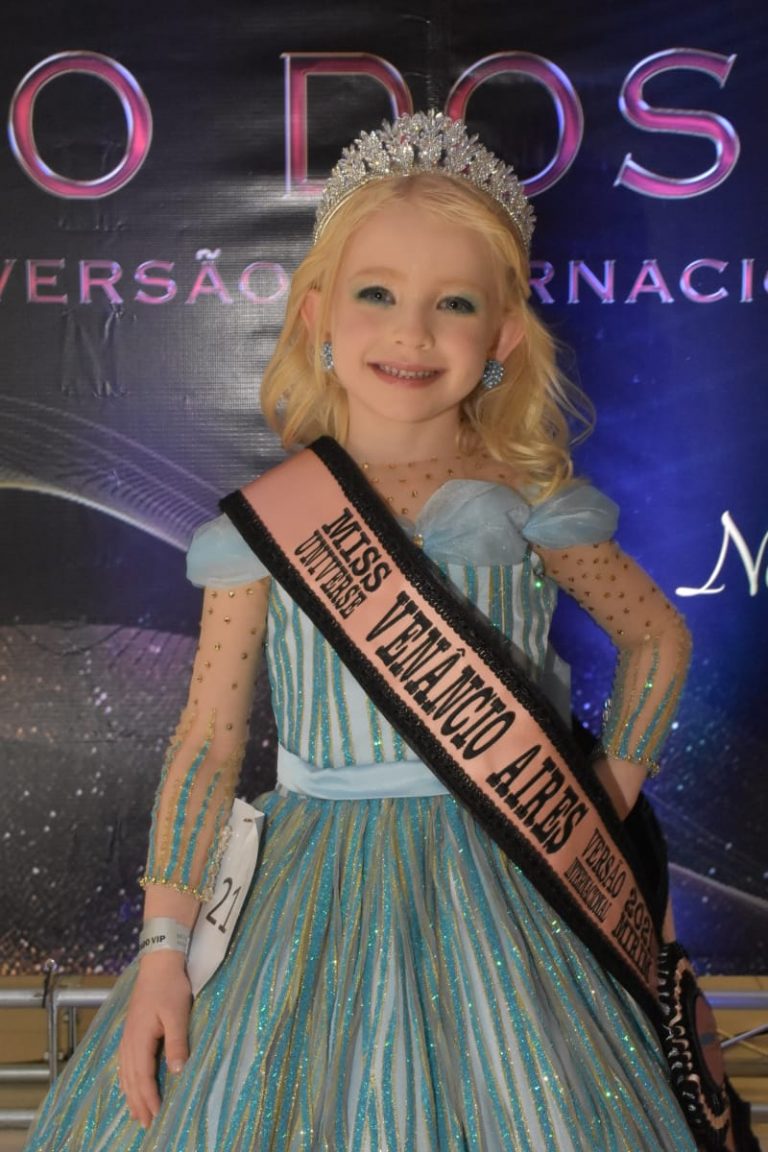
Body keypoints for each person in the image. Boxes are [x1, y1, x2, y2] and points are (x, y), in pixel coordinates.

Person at [23, 111, 699, 1152]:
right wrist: (163, 948)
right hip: (308, 888)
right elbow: (206, 744)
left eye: (454, 303)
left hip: (513, 876)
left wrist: (597, 799)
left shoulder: (533, 505)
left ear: (502, 336)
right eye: (377, 293)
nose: (412, 332)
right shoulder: (266, 526)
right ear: (318, 315)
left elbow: (658, 640)